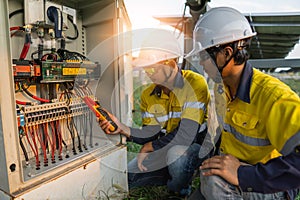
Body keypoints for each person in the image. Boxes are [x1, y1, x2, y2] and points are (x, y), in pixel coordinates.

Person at [185, 7, 300, 200]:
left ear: (226, 53)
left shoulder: (273, 98)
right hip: (233, 169)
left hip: (268, 182)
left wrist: (242, 174)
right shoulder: (220, 88)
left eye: (204, 56)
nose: (202, 64)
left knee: (213, 183)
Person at [99, 29, 211, 197]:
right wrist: (120, 127)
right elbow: (150, 134)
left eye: (153, 69)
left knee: (177, 155)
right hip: (164, 148)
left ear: (171, 64)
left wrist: (150, 147)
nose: (148, 75)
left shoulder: (195, 84)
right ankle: (169, 173)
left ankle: (180, 189)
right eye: (146, 70)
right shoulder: (148, 95)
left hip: (193, 148)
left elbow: (187, 135)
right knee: (126, 177)